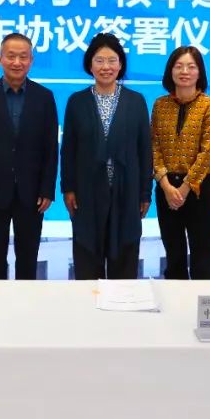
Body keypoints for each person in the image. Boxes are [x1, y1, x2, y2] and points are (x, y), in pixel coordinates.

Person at [0, 33, 59, 280]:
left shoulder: (45, 97)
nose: (17, 62)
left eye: (23, 57)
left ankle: (25, 305)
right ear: (0, 59)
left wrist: (47, 189)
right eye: (11, 56)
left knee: (28, 260)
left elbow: (51, 149)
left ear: (31, 60)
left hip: (32, 194)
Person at [61, 33, 152, 280]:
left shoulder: (136, 101)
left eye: (112, 60)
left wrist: (145, 193)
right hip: (87, 193)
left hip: (126, 192)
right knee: (87, 259)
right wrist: (68, 188)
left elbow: (144, 150)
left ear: (120, 65)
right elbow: (68, 149)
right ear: (90, 65)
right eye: (99, 60)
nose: (106, 67)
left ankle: (121, 303)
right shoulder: (77, 102)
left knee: (124, 259)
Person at [151, 46, 210, 280]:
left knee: (201, 258)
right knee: (174, 257)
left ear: (200, 72)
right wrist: (166, 186)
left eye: (191, 66)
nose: (184, 72)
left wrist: (185, 188)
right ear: (170, 71)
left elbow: (207, 151)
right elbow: (154, 146)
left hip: (199, 190)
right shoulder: (160, 105)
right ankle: (175, 304)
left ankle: (200, 305)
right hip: (166, 189)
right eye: (178, 66)